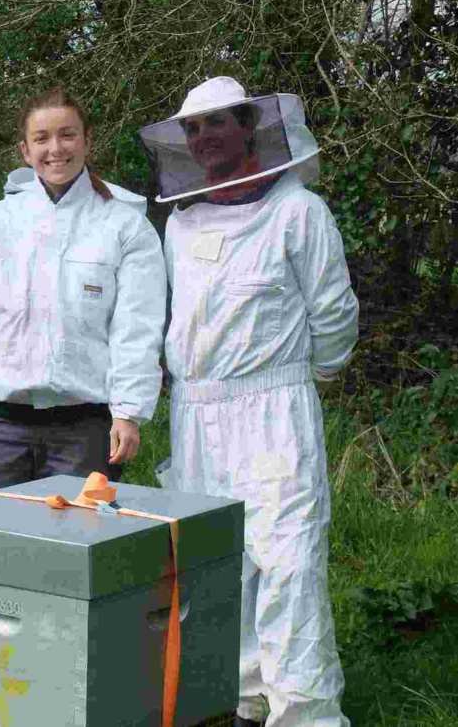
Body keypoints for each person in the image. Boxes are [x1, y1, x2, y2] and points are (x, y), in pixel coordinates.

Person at [140, 76, 359, 727]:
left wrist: (294, 379)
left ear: (247, 127)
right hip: (196, 414)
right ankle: (245, 697)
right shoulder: (180, 223)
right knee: (218, 564)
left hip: (273, 410)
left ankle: (306, 711)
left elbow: (333, 317)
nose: (202, 138)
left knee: (286, 559)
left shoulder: (299, 212)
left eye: (215, 124)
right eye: (191, 128)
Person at [0, 89, 165, 492]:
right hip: (0, 427)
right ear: (24, 150)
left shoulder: (125, 227)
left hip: (85, 429)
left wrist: (128, 411)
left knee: (78, 547)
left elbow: (137, 329)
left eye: (67, 135)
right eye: (42, 138)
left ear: (87, 141)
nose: (55, 149)